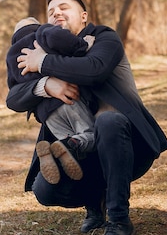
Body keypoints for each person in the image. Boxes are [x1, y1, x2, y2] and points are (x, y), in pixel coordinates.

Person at [6, 0, 167, 235]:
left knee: (107, 121)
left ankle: (119, 221)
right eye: (50, 12)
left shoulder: (104, 37)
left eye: (63, 7)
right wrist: (45, 84)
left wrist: (44, 63)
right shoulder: (43, 48)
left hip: (128, 146)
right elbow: (13, 98)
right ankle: (95, 205)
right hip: (83, 152)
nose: (56, 13)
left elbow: (94, 69)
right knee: (44, 190)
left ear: (83, 16)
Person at [6, 17, 98, 184]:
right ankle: (75, 143)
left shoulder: (12, 55)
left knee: (65, 146)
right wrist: (82, 45)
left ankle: (53, 153)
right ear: (36, 26)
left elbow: (13, 88)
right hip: (68, 100)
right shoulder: (41, 34)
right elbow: (59, 39)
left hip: (46, 115)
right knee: (90, 134)